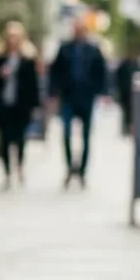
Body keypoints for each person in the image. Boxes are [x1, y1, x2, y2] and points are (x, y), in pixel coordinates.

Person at [48, 18, 108, 188]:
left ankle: (82, 171)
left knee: (86, 136)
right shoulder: (65, 49)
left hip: (87, 98)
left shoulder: (94, 50)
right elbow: (55, 72)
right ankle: (69, 167)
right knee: (66, 133)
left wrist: (102, 92)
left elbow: (101, 72)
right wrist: (53, 93)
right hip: (68, 97)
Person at [0, 22, 41, 189]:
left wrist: (35, 106)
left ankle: (20, 167)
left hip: (21, 106)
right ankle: (8, 172)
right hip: (4, 104)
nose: (13, 41)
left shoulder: (27, 60)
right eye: (10, 37)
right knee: (4, 139)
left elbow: (33, 84)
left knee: (20, 138)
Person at [114, 49, 140, 137]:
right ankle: (126, 128)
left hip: (130, 92)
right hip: (124, 92)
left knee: (130, 112)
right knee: (126, 112)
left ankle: (129, 128)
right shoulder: (124, 66)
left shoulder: (135, 65)